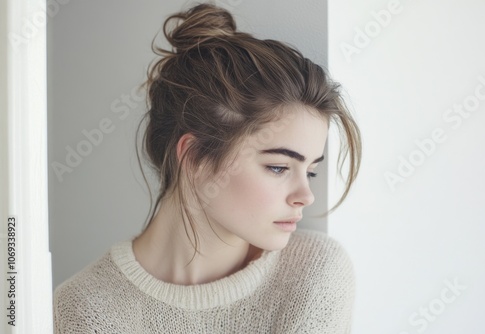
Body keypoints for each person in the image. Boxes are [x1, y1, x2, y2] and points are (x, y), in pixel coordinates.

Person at [53, 3, 362, 333]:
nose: (306, 196)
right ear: (195, 156)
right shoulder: (84, 306)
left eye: (311, 170)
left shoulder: (313, 275)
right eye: (278, 167)